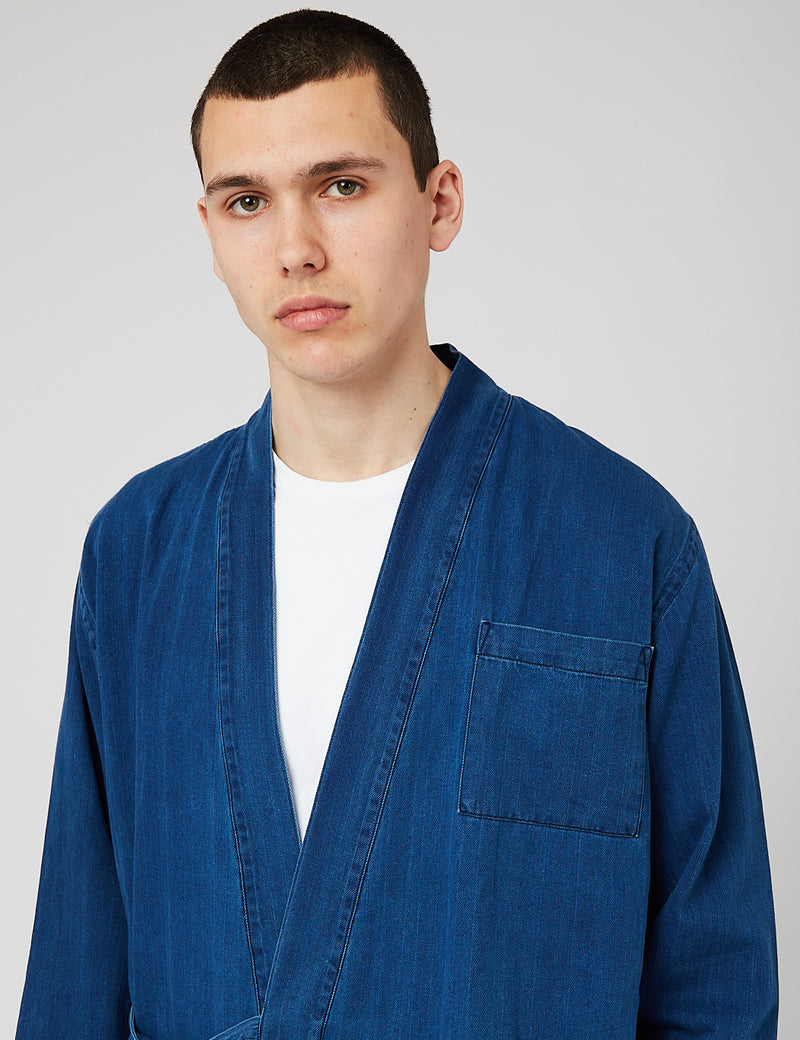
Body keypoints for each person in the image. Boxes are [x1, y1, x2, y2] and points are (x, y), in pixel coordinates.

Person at [16, 10, 778, 1040]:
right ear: (209, 233)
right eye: (247, 201)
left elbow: (715, 981)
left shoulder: (623, 540)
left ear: (439, 201)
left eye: (341, 186)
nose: (295, 249)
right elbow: (75, 975)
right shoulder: (138, 554)